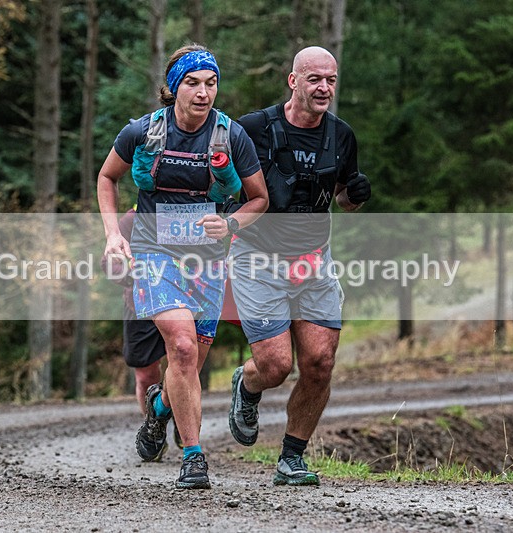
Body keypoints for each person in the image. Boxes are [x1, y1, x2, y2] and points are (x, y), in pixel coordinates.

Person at [97, 43, 268, 490]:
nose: (203, 92)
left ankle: (158, 414)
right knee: (183, 348)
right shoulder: (143, 132)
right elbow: (106, 177)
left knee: (186, 366)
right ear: (174, 88)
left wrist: (230, 222)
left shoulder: (231, 137)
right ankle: (194, 457)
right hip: (154, 253)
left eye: (211, 83)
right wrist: (115, 234)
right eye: (192, 83)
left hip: (208, 263)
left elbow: (260, 199)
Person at [227, 46, 371, 486]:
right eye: (315, 79)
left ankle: (292, 457)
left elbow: (344, 200)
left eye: (330, 79)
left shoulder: (341, 136)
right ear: (294, 81)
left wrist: (356, 196)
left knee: (320, 363)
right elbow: (223, 181)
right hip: (257, 258)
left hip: (314, 261)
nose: (324, 87)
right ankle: (247, 385)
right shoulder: (253, 129)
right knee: (274, 366)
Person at [99, 208, 182, 453]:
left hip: (181, 303)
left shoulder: (188, 210)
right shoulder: (132, 218)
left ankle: (181, 413)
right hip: (140, 305)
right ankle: (154, 426)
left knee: (183, 362)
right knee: (145, 375)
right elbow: (108, 263)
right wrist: (131, 275)